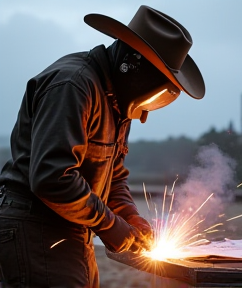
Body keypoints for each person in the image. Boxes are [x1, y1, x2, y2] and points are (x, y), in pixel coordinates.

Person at [0, 5, 205, 288]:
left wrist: (128, 214)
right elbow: (52, 178)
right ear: (132, 63)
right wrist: (112, 226)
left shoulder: (118, 99)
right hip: (37, 229)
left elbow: (114, 174)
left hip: (73, 229)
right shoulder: (73, 86)